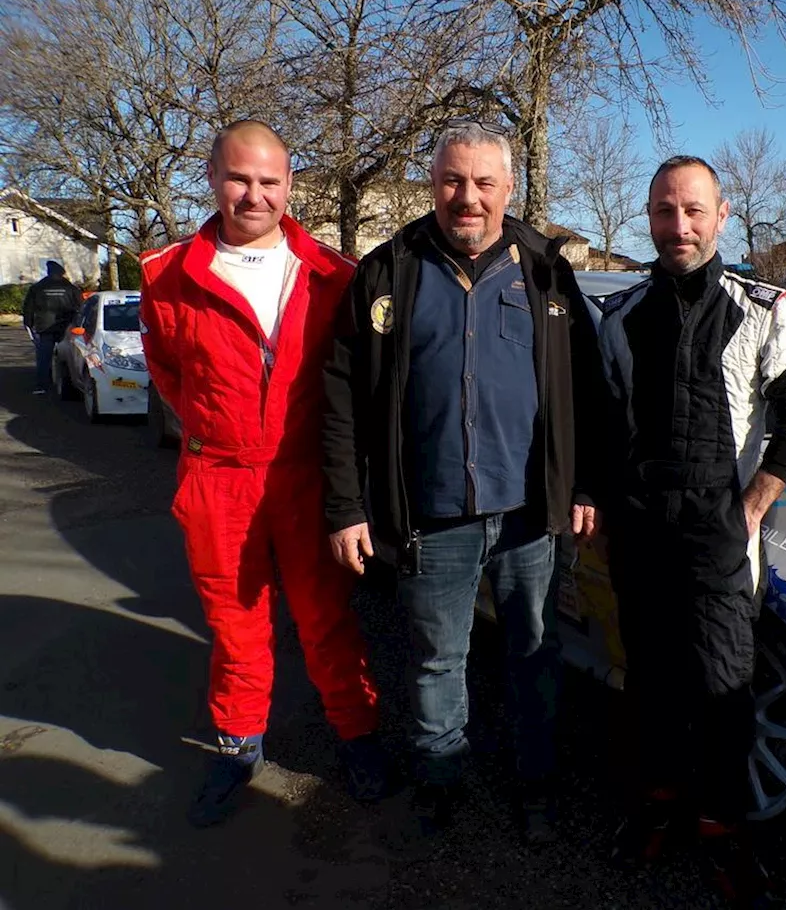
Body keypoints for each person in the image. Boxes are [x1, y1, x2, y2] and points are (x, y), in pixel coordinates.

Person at [321, 122, 605, 844]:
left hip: (528, 517)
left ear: (510, 189)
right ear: (433, 184)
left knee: (534, 659)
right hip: (431, 514)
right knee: (435, 661)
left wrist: (584, 486)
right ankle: (440, 779)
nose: (467, 197)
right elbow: (341, 395)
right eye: (452, 180)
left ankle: (534, 785)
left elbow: (589, 392)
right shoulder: (389, 271)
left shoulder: (548, 273)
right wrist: (347, 506)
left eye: (484, 183)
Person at [140, 120, 386, 828]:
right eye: (239, 178)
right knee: (236, 626)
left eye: (269, 181)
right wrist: (217, 436)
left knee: (327, 621)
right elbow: (167, 371)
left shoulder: (334, 276)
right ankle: (236, 748)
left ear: (289, 184)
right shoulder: (167, 273)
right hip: (221, 480)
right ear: (213, 177)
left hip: (309, 478)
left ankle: (359, 736)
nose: (253, 195)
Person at [598, 156, 786, 906]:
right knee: (654, 686)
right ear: (649, 218)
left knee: (727, 693)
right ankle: (660, 807)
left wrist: (754, 506)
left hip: (719, 537)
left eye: (693, 210)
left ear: (722, 215)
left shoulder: (767, 307)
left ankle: (725, 831)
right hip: (640, 535)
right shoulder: (621, 313)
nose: (679, 226)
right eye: (665, 211)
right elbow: (602, 423)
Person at [21, 260, 81, 394]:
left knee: (44, 356)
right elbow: (80, 307)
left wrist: (28, 323)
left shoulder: (38, 287)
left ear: (48, 272)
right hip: (66, 326)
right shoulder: (71, 288)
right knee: (67, 355)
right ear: (61, 273)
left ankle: (42, 385)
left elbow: (29, 308)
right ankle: (68, 384)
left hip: (44, 326)